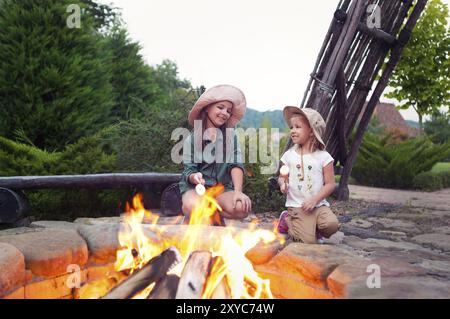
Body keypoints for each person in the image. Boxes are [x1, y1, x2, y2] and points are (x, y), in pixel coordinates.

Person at [179, 84, 252, 224]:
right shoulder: (192, 139)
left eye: (228, 110)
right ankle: (196, 214)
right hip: (197, 190)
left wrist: (238, 191)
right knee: (194, 206)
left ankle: (212, 214)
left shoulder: (231, 137)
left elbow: (236, 164)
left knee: (242, 208)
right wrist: (195, 177)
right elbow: (189, 170)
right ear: (207, 108)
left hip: (221, 189)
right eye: (220, 107)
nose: (225, 113)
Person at [277, 106, 339, 243]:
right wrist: (283, 185)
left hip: (318, 205)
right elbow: (282, 177)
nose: (292, 131)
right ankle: (287, 220)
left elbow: (330, 184)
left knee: (332, 225)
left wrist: (315, 200)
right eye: (291, 127)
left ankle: (315, 228)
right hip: (298, 206)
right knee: (307, 243)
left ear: (312, 131)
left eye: (298, 127)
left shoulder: (323, 157)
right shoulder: (289, 156)